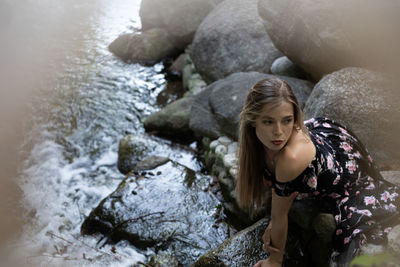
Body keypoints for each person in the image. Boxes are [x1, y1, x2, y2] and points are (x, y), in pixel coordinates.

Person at [235, 77, 400, 267]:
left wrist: (274, 260)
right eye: (268, 122)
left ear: (295, 118)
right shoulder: (256, 143)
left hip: (346, 171)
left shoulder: (291, 158)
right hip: (323, 140)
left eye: (287, 120)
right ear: (252, 121)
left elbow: (279, 215)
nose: (279, 132)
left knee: (348, 253)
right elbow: (282, 196)